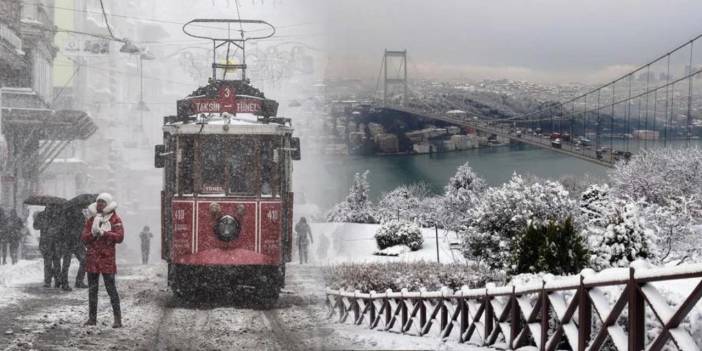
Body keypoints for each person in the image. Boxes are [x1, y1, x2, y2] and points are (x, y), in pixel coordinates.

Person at [81, 193, 124, 328]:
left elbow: (120, 237)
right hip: (92, 259)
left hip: (107, 259)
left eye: (103, 202)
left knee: (111, 290)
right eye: (98, 202)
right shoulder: (91, 219)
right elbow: (84, 238)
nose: (100, 205)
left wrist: (105, 233)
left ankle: (118, 319)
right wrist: (93, 234)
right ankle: (92, 318)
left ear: (108, 204)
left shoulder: (115, 219)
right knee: (92, 291)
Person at [58, 207, 88, 291]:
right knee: (67, 263)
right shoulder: (67, 216)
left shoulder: (80, 216)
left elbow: (83, 229)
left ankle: (77, 281)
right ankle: (66, 283)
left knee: (84, 261)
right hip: (70, 242)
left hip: (77, 242)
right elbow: (63, 229)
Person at [34, 206, 62, 288]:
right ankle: (48, 281)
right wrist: (42, 224)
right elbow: (35, 226)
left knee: (56, 262)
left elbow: (62, 228)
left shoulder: (57, 215)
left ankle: (57, 280)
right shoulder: (41, 215)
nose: (50, 207)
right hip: (46, 243)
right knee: (48, 263)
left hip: (56, 243)